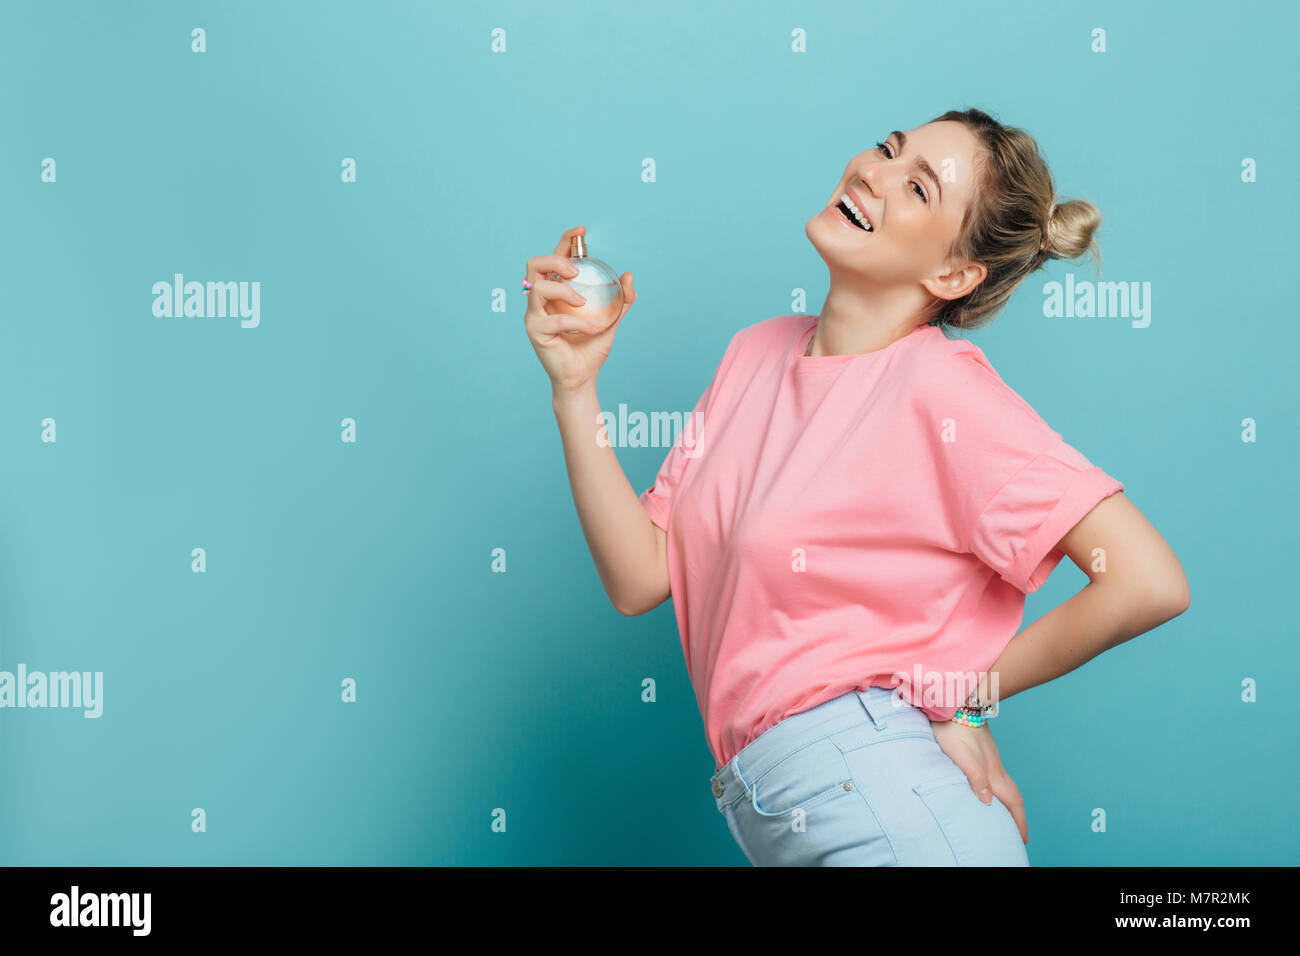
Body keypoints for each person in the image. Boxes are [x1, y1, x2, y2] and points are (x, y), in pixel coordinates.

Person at [522, 107, 1190, 866]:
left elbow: (1147, 581)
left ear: (953, 274)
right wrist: (575, 390)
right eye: (887, 148)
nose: (873, 173)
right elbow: (641, 575)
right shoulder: (755, 352)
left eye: (918, 188)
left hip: (883, 807)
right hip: (783, 807)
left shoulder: (939, 390)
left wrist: (965, 699)